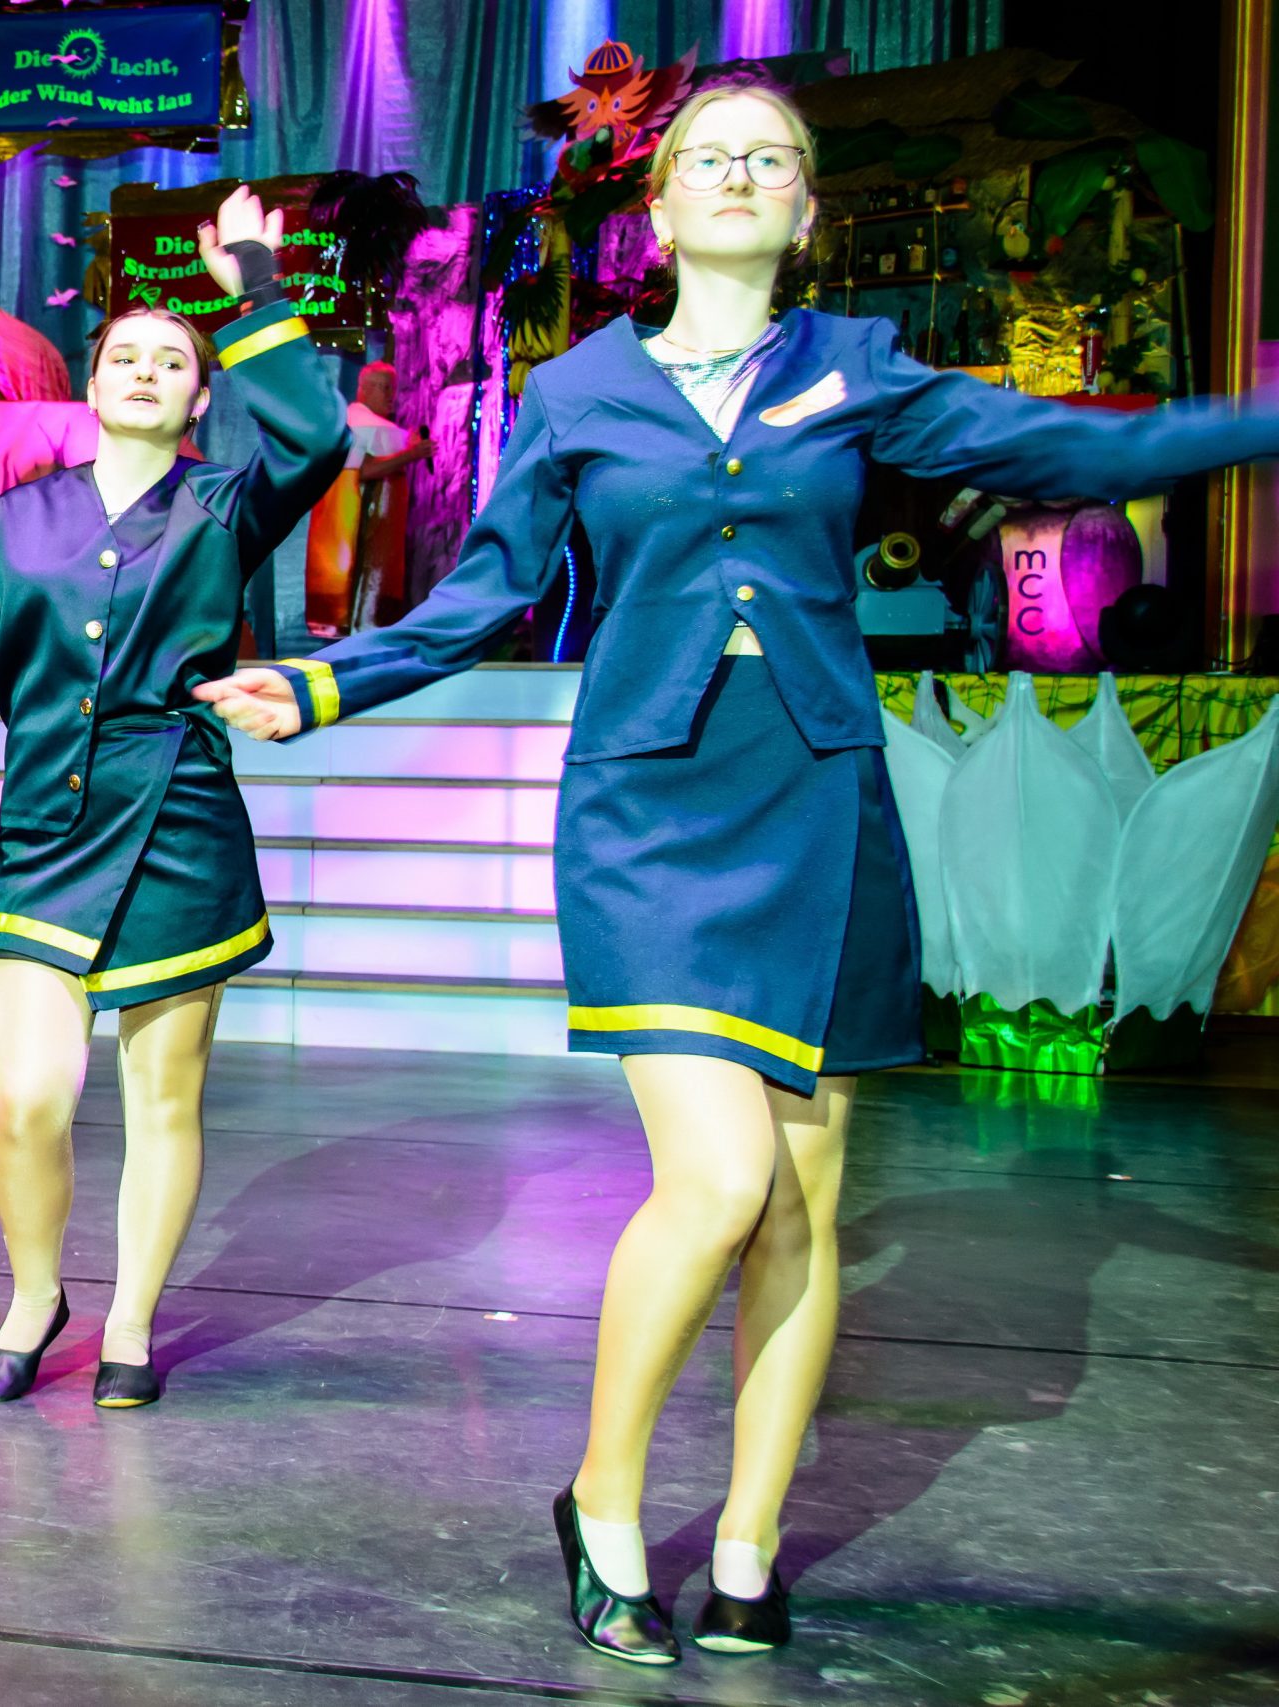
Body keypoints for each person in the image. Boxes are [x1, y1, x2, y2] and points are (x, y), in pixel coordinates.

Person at [198, 85, 1279, 1663]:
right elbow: (487, 591)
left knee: (803, 1204)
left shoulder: (858, 367)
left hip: (820, 802)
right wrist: (323, 682)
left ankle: (753, 1538)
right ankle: (604, 1495)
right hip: (649, 811)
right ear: (659, 207)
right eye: (710, 154)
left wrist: (1259, 420)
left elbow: (1067, 444)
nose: (740, 171)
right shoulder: (577, 390)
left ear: (805, 209)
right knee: (717, 1181)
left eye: (771, 157)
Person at [0, 186, 348, 1409]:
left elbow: (315, 439)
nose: (144, 371)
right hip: (48, 832)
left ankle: (132, 1319)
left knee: (161, 1101)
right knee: (25, 1105)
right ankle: (34, 1297)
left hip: (181, 834)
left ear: (201, 397)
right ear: (88, 386)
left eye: (171, 361)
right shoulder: (19, 517)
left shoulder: (226, 504)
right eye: (123, 356)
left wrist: (252, 285)